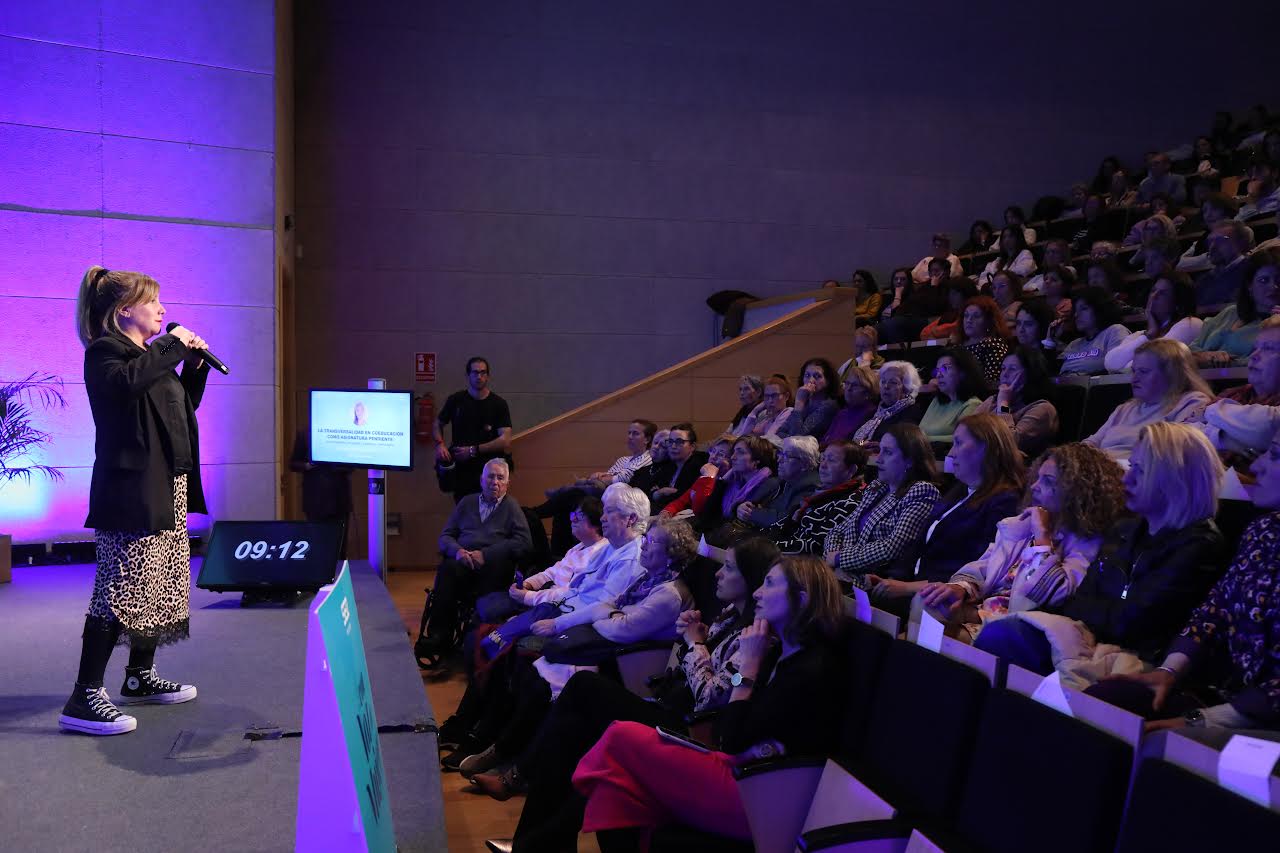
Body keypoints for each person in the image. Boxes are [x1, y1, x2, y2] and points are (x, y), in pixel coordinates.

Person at [480, 539, 781, 842]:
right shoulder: (729, 614)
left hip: (691, 730)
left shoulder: (756, 638)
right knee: (574, 727)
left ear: (750, 577)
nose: (717, 574)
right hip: (667, 703)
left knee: (584, 690)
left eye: (728, 568)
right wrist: (696, 636)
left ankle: (523, 796)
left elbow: (712, 694)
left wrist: (695, 644)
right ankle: (535, 836)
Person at [569, 556, 848, 851]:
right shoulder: (778, 651)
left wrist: (748, 668)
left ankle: (551, 828)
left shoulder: (814, 669)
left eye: (769, 584)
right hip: (736, 766)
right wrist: (746, 672)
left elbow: (730, 736)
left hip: (759, 794)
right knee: (615, 788)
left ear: (801, 600)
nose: (757, 593)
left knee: (620, 736)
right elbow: (729, 725)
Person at [61, 266, 213, 735]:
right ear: (124, 310)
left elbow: (176, 408)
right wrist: (172, 346)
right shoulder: (106, 353)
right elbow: (126, 386)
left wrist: (195, 366)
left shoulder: (149, 356)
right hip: (130, 489)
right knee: (121, 586)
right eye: (153, 303)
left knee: (159, 585)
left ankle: (140, 676)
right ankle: (84, 695)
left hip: (168, 482)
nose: (163, 311)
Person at [974, 423, 1226, 677]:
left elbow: (1133, 624)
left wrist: (1098, 612)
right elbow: (1080, 602)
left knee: (1003, 637)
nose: (1126, 479)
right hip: (1091, 638)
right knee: (997, 633)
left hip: (1137, 659)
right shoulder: (1126, 529)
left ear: (1172, 478)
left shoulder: (1199, 545)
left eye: (1139, 470)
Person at [457, 515, 697, 779]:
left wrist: (606, 616)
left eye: (652, 543)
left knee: (536, 678)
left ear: (671, 555)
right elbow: (604, 609)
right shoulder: (648, 579)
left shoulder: (669, 594)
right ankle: (497, 744)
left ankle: (513, 764)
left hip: (626, 665)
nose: (645, 546)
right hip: (600, 646)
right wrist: (584, 619)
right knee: (524, 666)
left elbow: (620, 630)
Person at [1088, 429, 1280, 733]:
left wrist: (1202, 721)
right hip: (1226, 695)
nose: (1255, 467)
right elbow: (1214, 610)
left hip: (1261, 716)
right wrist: (1169, 670)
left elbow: (1132, 620)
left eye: (1275, 455)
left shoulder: (1200, 543)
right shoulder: (1266, 530)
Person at [918, 443, 1125, 644]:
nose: (1034, 486)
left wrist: (1042, 537)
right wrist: (960, 588)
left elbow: (1055, 595)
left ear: (1076, 492)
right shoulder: (1021, 525)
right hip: (982, 611)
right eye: (1037, 478)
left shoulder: (1086, 541)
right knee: (927, 603)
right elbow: (984, 566)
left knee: (940, 637)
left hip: (1017, 626)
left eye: (1047, 481)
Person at [866, 415, 1025, 618]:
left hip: (938, 598)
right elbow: (917, 548)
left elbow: (977, 570)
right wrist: (889, 580)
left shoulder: (1004, 503)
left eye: (958, 443)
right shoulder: (959, 492)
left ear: (986, 448)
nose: (951, 453)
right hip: (914, 589)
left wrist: (907, 587)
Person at [416, 459, 532, 667]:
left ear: (507, 483)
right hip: (462, 563)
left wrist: (486, 555)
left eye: (500, 478)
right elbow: (446, 536)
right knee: (447, 569)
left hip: (493, 567)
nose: (494, 482)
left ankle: (476, 641)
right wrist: (458, 551)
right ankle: (438, 636)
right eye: (490, 476)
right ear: (481, 479)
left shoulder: (511, 507)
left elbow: (524, 542)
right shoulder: (467, 503)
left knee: (495, 574)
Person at [825, 423, 940, 589]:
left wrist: (839, 559)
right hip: (841, 573)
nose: (878, 459)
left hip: (874, 582)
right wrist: (834, 559)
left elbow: (892, 548)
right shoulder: (877, 487)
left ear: (909, 460)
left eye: (888, 452)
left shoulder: (922, 491)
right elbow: (839, 530)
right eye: (880, 450)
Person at [533, 419, 656, 556]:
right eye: (629, 433)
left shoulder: (647, 458)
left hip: (617, 497)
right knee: (568, 505)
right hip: (605, 490)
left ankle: (538, 511)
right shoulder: (623, 459)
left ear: (647, 439)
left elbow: (620, 479)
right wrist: (604, 477)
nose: (630, 437)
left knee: (574, 493)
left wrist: (605, 477)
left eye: (635, 434)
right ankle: (558, 554)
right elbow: (609, 475)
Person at [1085, 339, 1213, 462]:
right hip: (1101, 474)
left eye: (1143, 372)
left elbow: (1177, 456)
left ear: (1172, 374)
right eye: (1134, 371)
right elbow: (1091, 443)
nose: (1134, 379)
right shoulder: (1125, 409)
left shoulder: (1191, 402)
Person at [1196, 316, 1280, 468]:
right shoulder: (1232, 393)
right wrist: (1231, 440)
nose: (1253, 356)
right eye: (1255, 348)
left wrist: (1213, 411)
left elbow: (1268, 427)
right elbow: (1189, 430)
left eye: (1268, 348)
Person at [434, 356, 513, 502]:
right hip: (462, 471)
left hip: (489, 472)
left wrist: (473, 450)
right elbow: (438, 424)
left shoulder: (498, 404)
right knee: (464, 513)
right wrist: (440, 444)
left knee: (489, 514)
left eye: (483, 373)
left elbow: (505, 440)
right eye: (475, 372)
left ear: (488, 376)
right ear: (468, 375)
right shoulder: (456, 400)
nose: (479, 376)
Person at [768, 441, 868, 555]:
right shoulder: (821, 492)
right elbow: (779, 525)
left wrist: (768, 548)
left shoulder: (851, 502)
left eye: (831, 460)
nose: (823, 465)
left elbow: (816, 546)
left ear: (851, 470)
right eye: (823, 458)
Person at [1190, 247, 1280, 367]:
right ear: (1250, 286)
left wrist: (1220, 362)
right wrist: (1204, 356)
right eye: (1264, 280)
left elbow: (1262, 364)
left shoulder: (1276, 326)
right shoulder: (1231, 312)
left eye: (1279, 280)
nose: (1273, 287)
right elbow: (1192, 349)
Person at [974, 346, 1061, 458]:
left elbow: (1010, 442)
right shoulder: (993, 400)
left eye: (1012, 369)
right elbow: (967, 430)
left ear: (1030, 374)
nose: (1004, 374)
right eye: (1003, 368)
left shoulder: (1043, 409)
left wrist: (1004, 403)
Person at [1105, 273, 1203, 371]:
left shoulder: (1191, 324)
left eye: (1162, 293)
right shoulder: (1141, 335)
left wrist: (1125, 366)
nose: (1153, 296)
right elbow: (1110, 364)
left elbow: (1145, 365)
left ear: (1178, 303)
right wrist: (1148, 335)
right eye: (1153, 290)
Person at [692, 436, 779, 541]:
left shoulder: (767, 485)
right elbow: (707, 517)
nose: (733, 457)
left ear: (757, 460)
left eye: (740, 452)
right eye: (733, 452)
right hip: (722, 536)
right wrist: (722, 482)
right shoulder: (734, 481)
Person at [288, 428, 353, 559]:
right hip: (315, 499)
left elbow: (351, 466)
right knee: (317, 543)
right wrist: (307, 466)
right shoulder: (305, 433)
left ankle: (339, 575)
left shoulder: (343, 432)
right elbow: (293, 463)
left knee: (339, 545)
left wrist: (334, 464)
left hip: (339, 499)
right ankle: (317, 575)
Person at [736, 436, 820, 531]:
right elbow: (750, 503)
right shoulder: (780, 481)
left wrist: (751, 513)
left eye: (787, 456)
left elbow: (784, 519)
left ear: (805, 464)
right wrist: (741, 508)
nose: (779, 460)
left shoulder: (810, 487)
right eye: (780, 453)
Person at [1054, 286, 1131, 376]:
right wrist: (1050, 342)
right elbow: (1053, 373)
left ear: (1100, 308)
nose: (1076, 315)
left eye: (1084, 308)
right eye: (1075, 310)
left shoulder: (1114, 331)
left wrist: (1081, 377)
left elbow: (1118, 369)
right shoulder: (1074, 344)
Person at [918, 349, 985, 445]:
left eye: (945, 368)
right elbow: (919, 431)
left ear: (963, 373)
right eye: (938, 370)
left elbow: (962, 438)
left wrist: (921, 440)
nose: (938, 375)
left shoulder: (973, 405)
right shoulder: (936, 401)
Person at [851, 361, 926, 446]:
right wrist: (862, 444)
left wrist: (878, 445)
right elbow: (856, 442)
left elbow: (902, 443)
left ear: (907, 388)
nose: (886, 386)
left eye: (893, 382)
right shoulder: (874, 413)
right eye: (883, 382)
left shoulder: (911, 412)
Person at [644, 423, 708, 513]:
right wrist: (660, 492)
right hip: (663, 510)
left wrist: (662, 492)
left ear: (692, 446)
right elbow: (651, 490)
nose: (673, 446)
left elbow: (686, 497)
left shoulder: (699, 464)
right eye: (670, 441)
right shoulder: (668, 464)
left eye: (679, 442)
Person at [880, 264, 951, 344]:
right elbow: (884, 316)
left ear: (909, 282)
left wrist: (898, 298)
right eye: (896, 279)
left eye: (903, 279)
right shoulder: (887, 297)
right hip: (891, 325)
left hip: (909, 325)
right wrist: (896, 297)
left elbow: (903, 314)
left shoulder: (915, 295)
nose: (899, 282)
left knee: (893, 324)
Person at [1193, 221, 1253, 308]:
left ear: (1240, 243)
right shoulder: (1204, 280)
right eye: (1210, 241)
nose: (1212, 247)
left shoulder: (1253, 271)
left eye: (1220, 240)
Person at [778, 358, 841, 439]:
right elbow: (780, 432)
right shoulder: (806, 400)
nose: (811, 380)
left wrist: (799, 403)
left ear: (828, 381)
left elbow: (797, 438)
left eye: (817, 376)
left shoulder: (829, 406)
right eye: (807, 375)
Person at [956, 295, 1011, 387]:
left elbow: (992, 379)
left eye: (976, 316)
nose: (969, 320)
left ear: (989, 321)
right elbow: (941, 369)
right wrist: (936, 376)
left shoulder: (994, 346)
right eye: (966, 316)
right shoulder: (957, 346)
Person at [823, 366, 879, 445]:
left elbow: (863, 443)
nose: (848, 388)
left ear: (868, 391)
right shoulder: (842, 413)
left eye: (855, 385)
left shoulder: (873, 416)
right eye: (847, 383)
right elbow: (825, 439)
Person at [919, 275, 977, 341]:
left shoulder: (970, 314)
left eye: (954, 294)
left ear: (966, 294)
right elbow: (924, 333)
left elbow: (953, 328)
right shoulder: (951, 313)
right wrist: (936, 341)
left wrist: (935, 335)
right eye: (950, 293)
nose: (950, 297)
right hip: (939, 345)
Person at [1011, 297, 1057, 362]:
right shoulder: (1013, 354)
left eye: (1028, 324)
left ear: (1042, 326)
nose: (1021, 329)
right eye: (1018, 323)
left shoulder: (1052, 359)